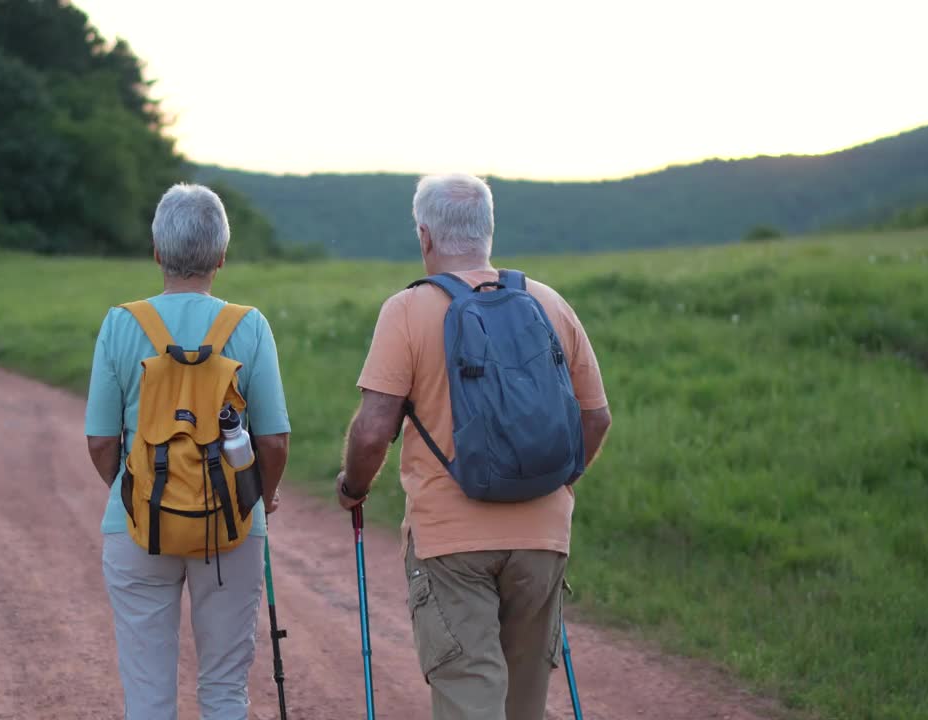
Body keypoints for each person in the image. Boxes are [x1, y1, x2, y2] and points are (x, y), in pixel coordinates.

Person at [334, 173, 612, 720]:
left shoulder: (408, 311)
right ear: (488, 230)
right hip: (542, 535)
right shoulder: (550, 303)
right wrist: (552, 479)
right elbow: (596, 417)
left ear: (425, 236)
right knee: (525, 702)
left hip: (450, 542)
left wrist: (352, 488)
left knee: (470, 696)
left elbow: (371, 431)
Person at [86, 184, 291, 720]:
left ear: (157, 252)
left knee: (148, 695)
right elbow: (272, 440)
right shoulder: (249, 326)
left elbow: (101, 440)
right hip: (232, 523)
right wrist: (262, 497)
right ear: (222, 257)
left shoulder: (120, 324)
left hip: (136, 523)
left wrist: (132, 489)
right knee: (224, 691)